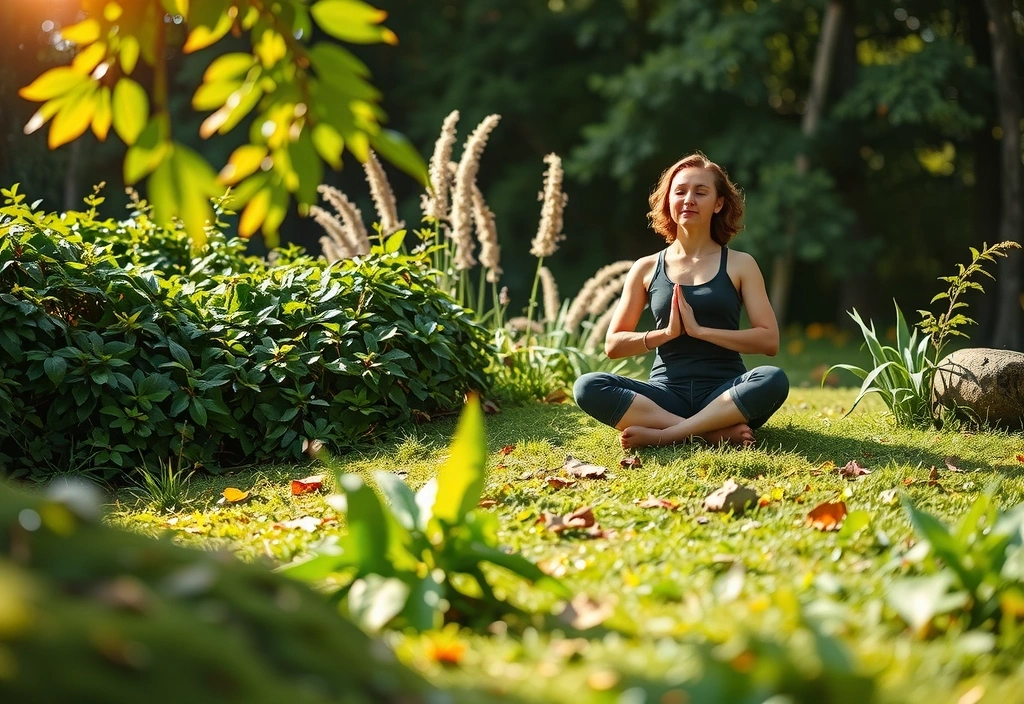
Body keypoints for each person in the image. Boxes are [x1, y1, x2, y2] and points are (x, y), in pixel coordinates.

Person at [573, 153, 789, 449]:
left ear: (718, 203)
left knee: (772, 379)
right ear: (669, 202)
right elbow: (613, 345)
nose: (689, 199)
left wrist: (701, 332)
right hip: (665, 396)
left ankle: (667, 434)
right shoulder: (646, 268)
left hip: (725, 394)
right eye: (680, 191)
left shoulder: (741, 264)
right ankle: (711, 434)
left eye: (701, 192)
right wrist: (666, 334)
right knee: (588, 386)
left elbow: (769, 341)